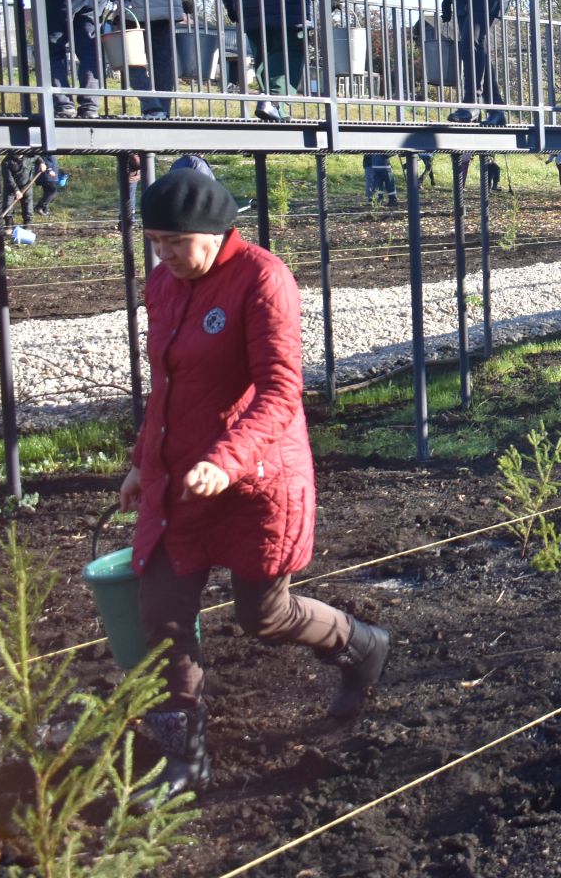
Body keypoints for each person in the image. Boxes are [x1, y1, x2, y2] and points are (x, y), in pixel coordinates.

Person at [122, 170, 391, 799]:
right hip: (182, 480)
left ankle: (362, 644)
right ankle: (182, 762)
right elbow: (168, 385)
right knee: (162, 613)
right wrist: (142, 460)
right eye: (155, 240)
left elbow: (279, 390)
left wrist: (228, 458)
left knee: (262, 615)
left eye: (174, 241)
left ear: (215, 234)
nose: (163, 255)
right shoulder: (162, 285)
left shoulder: (264, 279)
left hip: (256, 479)